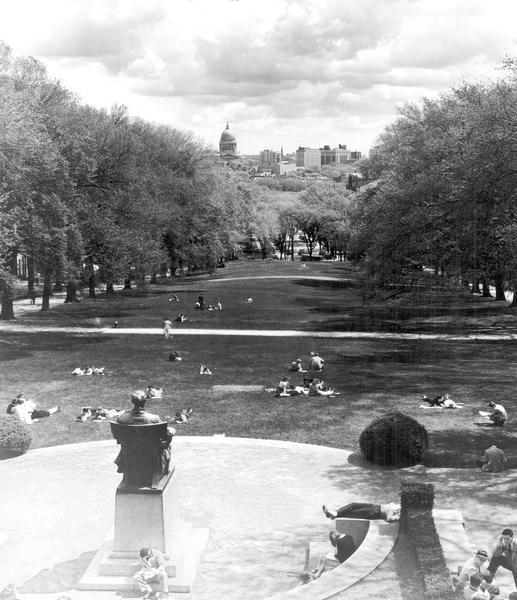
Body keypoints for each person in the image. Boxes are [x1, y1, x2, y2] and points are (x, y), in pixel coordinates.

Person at [322, 502, 400, 522]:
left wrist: (398, 517)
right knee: (353, 509)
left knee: (353, 506)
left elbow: (389, 518)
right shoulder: (399, 507)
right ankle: (335, 513)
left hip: (374, 512)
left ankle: (335, 513)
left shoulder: (395, 511)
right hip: (374, 508)